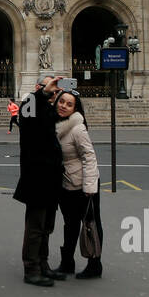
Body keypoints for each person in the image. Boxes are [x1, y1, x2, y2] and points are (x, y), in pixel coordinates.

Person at [12, 75, 66, 286]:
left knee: (47, 226)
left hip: (51, 178)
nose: (54, 94)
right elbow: (27, 115)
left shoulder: (47, 110)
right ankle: (31, 268)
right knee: (35, 226)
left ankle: (43, 264)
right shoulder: (29, 106)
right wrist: (41, 93)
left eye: (55, 91)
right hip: (36, 178)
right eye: (50, 90)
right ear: (38, 89)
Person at [54, 90, 103, 279]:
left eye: (69, 104)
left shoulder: (77, 128)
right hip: (67, 183)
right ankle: (67, 263)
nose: (63, 106)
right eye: (62, 102)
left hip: (83, 184)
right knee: (70, 224)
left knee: (90, 223)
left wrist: (90, 187)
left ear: (75, 108)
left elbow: (89, 157)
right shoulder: (56, 125)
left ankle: (94, 264)